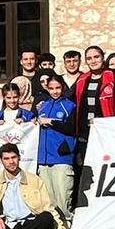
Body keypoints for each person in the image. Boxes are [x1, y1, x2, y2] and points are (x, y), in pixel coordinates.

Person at [71, 46, 115, 208]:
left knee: (105, 169)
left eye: (96, 57)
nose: (93, 61)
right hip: (85, 134)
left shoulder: (113, 79)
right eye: (89, 58)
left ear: (103, 58)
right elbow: (70, 102)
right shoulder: (82, 80)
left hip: (104, 134)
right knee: (86, 171)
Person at [32, 75, 77, 218]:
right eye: (51, 88)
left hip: (61, 158)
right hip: (43, 159)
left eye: (57, 88)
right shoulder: (43, 106)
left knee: (63, 201)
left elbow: (71, 128)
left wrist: (50, 121)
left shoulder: (69, 105)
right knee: (49, 202)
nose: (54, 91)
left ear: (63, 87)